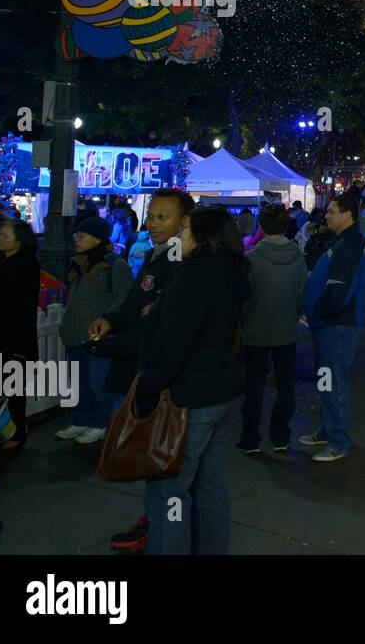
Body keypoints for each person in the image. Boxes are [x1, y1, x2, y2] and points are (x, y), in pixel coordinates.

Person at [87, 187, 195, 553]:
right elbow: (136, 306)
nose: (153, 223)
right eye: (151, 216)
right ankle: (153, 523)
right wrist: (111, 320)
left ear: (185, 221)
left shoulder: (184, 265)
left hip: (161, 377)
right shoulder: (154, 256)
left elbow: (161, 328)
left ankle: (162, 533)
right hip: (142, 370)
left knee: (164, 464)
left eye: (163, 217)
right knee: (157, 463)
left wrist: (114, 343)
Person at [137, 208, 250, 555]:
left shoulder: (195, 276)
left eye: (185, 230)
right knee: (209, 483)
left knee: (169, 491)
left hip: (191, 396)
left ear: (203, 237)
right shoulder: (233, 272)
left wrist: (148, 386)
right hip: (221, 392)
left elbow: (174, 343)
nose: (179, 237)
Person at [300, 194, 365, 462]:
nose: (326, 215)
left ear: (347, 216)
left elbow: (339, 290)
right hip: (326, 324)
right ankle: (327, 429)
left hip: (337, 325)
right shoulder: (343, 241)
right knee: (326, 380)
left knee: (334, 382)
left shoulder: (350, 244)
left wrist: (317, 310)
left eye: (331, 211)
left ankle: (338, 441)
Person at [56, 215, 133, 445]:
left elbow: (124, 296)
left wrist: (104, 318)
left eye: (83, 236)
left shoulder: (115, 265)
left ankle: (100, 423)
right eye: (76, 235)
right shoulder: (78, 263)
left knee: (98, 383)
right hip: (74, 334)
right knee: (79, 384)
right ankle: (81, 420)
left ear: (98, 238)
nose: (77, 240)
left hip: (97, 336)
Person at [238, 203, 307, 455]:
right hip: (286, 329)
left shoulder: (252, 258)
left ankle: (250, 438)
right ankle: (280, 436)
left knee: (253, 386)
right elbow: (302, 293)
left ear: (261, 226)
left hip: (255, 330)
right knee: (285, 385)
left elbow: (243, 297)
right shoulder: (297, 256)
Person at [0, 219, 41, 448]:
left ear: (20, 239)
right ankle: (4, 430)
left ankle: (16, 434)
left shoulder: (23, 266)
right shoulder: (4, 264)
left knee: (11, 388)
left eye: (5, 235)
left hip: (13, 340)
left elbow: (10, 301)